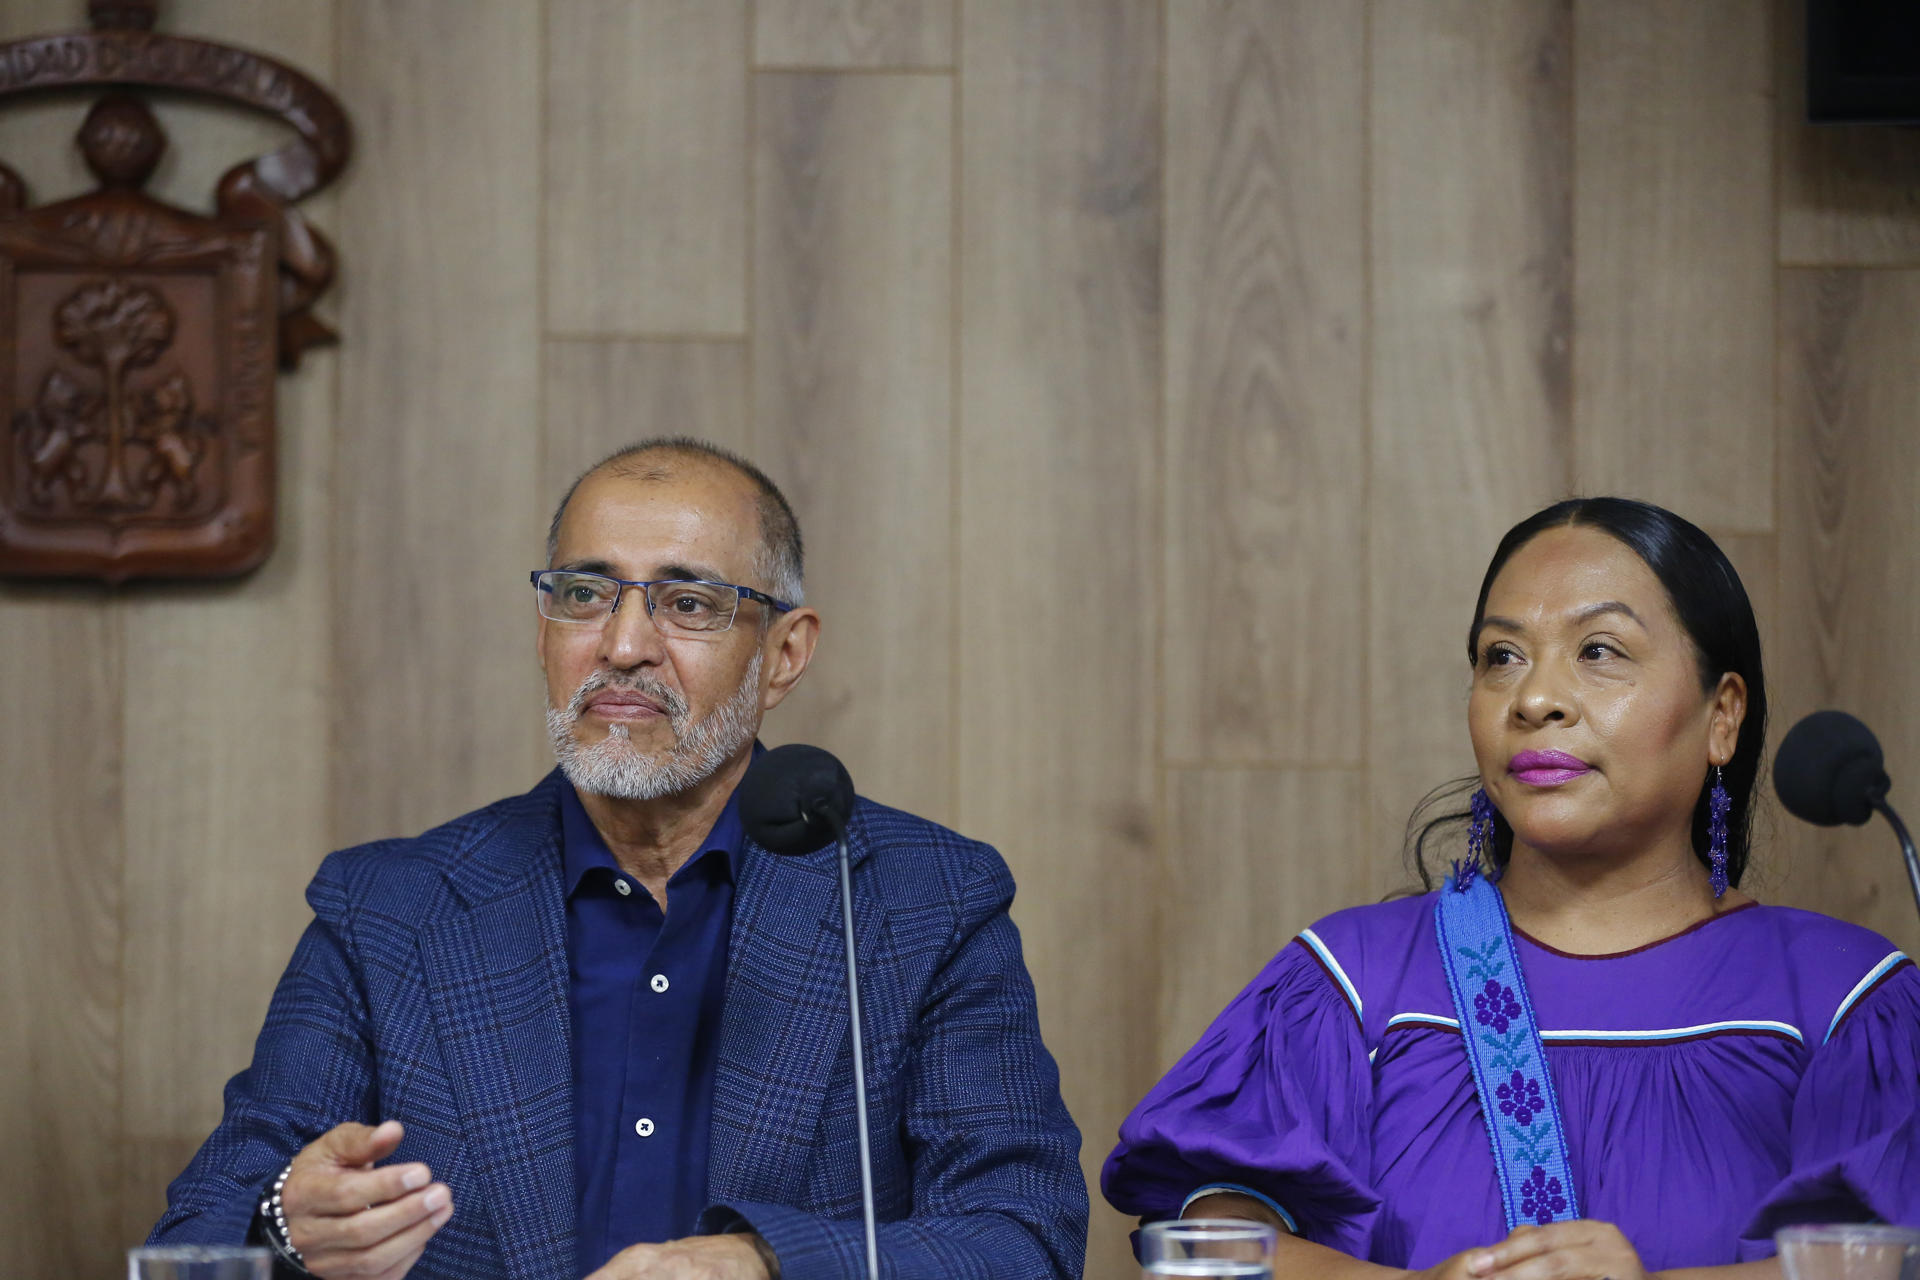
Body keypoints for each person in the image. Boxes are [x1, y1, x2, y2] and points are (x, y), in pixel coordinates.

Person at [150, 438, 1088, 1280]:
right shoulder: (388, 912)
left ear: (784, 657)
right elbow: (192, 1243)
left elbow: (1024, 1238)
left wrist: (760, 1267)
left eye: (687, 602)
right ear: (545, 628)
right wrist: (282, 1230)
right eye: (585, 594)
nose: (624, 645)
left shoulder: (926, 903)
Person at [1103, 497, 1919, 1279]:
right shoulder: (1351, 984)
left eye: (1600, 651)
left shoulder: (1846, 1002)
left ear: (1722, 716)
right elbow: (1201, 1251)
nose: (1534, 699)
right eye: (1502, 657)